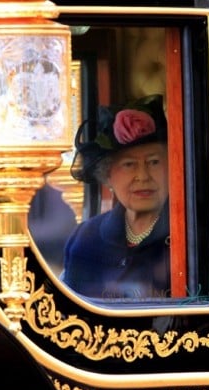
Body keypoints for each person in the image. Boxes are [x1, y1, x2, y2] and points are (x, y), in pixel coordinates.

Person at [61, 94, 171, 300]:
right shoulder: (86, 239)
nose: (143, 176)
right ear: (108, 175)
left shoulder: (193, 236)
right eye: (129, 164)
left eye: (154, 162)